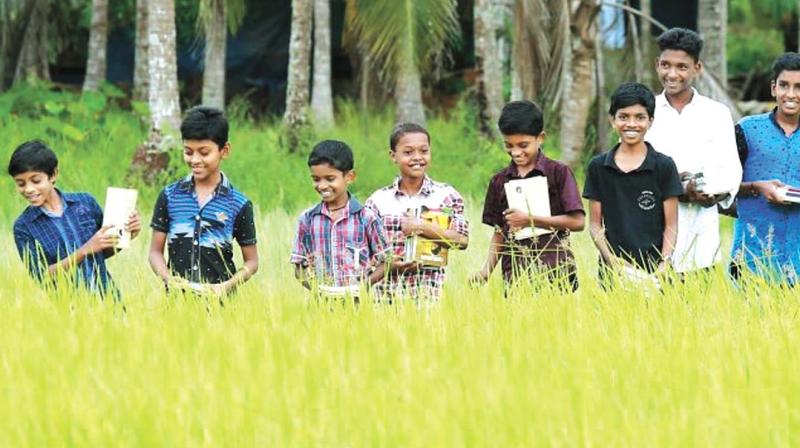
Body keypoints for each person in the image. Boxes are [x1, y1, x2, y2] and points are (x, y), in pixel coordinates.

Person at [645, 27, 742, 274]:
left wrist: (713, 194)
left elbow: (730, 169)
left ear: (697, 68)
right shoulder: (643, 112)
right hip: (651, 233)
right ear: (657, 64)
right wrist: (677, 186)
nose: (672, 74)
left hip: (701, 236)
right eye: (666, 65)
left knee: (697, 306)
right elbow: (635, 168)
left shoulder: (716, 113)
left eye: (682, 67)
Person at [471, 100, 585, 292]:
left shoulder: (558, 173)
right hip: (516, 276)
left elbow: (577, 222)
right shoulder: (499, 181)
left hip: (557, 272)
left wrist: (529, 220)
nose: (516, 152)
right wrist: (486, 271)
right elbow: (500, 232)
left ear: (540, 138)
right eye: (509, 145)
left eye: (523, 145)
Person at [149, 106, 258, 296]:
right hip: (176, 305)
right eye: (188, 152)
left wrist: (226, 286)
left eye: (204, 152)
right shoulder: (169, 196)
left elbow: (252, 262)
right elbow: (155, 252)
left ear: (224, 151)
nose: (195, 160)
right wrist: (168, 278)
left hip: (222, 307)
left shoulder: (238, 203)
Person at [10, 140, 140, 296]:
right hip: (68, 310)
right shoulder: (24, 226)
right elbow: (41, 276)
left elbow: (101, 252)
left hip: (109, 300)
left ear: (53, 175)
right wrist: (84, 250)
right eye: (21, 184)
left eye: (36, 181)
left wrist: (130, 233)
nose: (29, 189)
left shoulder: (85, 202)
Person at [583, 82, 683, 281]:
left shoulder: (664, 166)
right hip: (613, 273)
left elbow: (671, 225)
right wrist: (609, 259)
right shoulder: (598, 167)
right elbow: (595, 224)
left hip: (656, 273)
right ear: (612, 120)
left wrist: (665, 261)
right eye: (623, 117)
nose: (631, 124)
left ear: (651, 121)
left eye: (640, 117)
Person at [365, 123, 469, 300]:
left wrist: (422, 227)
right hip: (385, 295)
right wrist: (390, 265)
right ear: (393, 156)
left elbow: (461, 240)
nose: (417, 157)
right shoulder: (378, 201)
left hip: (430, 293)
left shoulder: (446, 196)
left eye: (424, 151)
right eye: (408, 152)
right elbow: (365, 249)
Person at [730, 53, 800, 285]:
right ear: (773, 88)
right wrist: (757, 187)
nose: (791, 94)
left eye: (798, 87)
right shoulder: (747, 129)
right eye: (784, 86)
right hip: (752, 253)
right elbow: (723, 187)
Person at [290, 140, 389, 296]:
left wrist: (363, 288)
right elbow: (299, 267)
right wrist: (317, 290)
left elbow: (386, 262)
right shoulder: (307, 219)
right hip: (321, 306)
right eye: (316, 179)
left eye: (330, 179)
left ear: (349, 177)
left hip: (359, 305)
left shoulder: (367, 218)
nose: (322, 186)